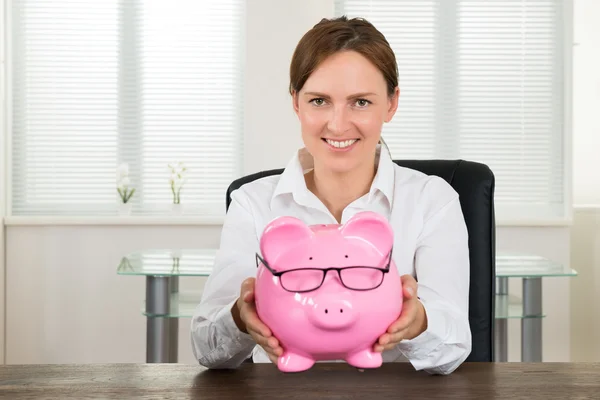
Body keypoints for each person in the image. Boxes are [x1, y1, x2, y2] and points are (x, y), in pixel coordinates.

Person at [190, 16, 471, 375]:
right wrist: (241, 318)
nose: (338, 124)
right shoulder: (253, 203)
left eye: (361, 102)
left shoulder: (432, 200)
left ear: (391, 103)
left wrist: (417, 323)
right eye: (319, 100)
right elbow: (205, 349)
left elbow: (455, 345)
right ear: (296, 102)